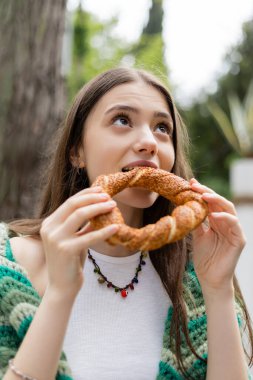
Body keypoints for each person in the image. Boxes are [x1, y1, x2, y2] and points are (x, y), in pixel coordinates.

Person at [0, 67, 252, 380]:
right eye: (122, 120)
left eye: (162, 127)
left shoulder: (195, 281)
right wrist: (60, 295)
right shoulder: (8, 267)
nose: (149, 142)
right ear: (77, 151)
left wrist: (218, 290)